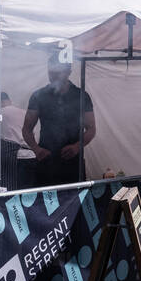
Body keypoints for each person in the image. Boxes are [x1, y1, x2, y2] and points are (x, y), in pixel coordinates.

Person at [23, 56, 96, 186]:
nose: (53, 76)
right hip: (46, 161)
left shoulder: (81, 96)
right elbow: (27, 129)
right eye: (51, 72)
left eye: (58, 72)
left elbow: (91, 128)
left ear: (68, 71)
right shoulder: (38, 96)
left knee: (74, 202)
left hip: (73, 163)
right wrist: (36, 149)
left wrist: (76, 147)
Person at [0, 92, 36, 190]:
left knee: (12, 193)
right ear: (9, 101)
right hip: (31, 156)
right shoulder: (24, 112)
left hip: (14, 159)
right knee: (29, 194)